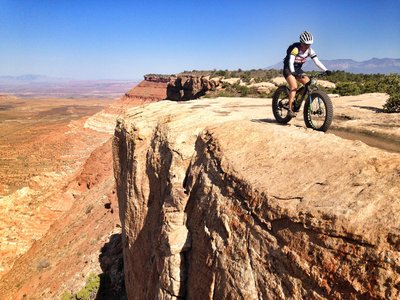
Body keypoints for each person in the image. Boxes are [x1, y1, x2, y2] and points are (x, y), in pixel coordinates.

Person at [283, 31, 331, 117]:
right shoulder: (296, 49)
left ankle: (299, 102)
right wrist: (293, 72)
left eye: (309, 44)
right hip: (289, 69)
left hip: (297, 69)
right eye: (305, 44)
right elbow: (290, 61)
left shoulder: (310, 50)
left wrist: (326, 70)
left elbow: (317, 62)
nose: (307, 46)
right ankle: (290, 110)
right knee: (294, 87)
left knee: (309, 84)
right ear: (301, 42)